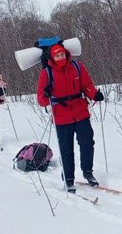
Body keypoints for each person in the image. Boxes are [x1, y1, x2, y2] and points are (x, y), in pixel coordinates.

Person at [36, 42, 104, 193]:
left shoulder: (77, 67)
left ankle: (88, 172)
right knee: (66, 149)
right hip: (61, 116)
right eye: (57, 55)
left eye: (62, 54)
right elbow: (41, 101)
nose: (60, 57)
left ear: (66, 54)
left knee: (87, 143)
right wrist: (46, 94)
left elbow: (87, 85)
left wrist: (94, 94)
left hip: (80, 111)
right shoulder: (46, 73)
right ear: (52, 58)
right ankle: (68, 178)